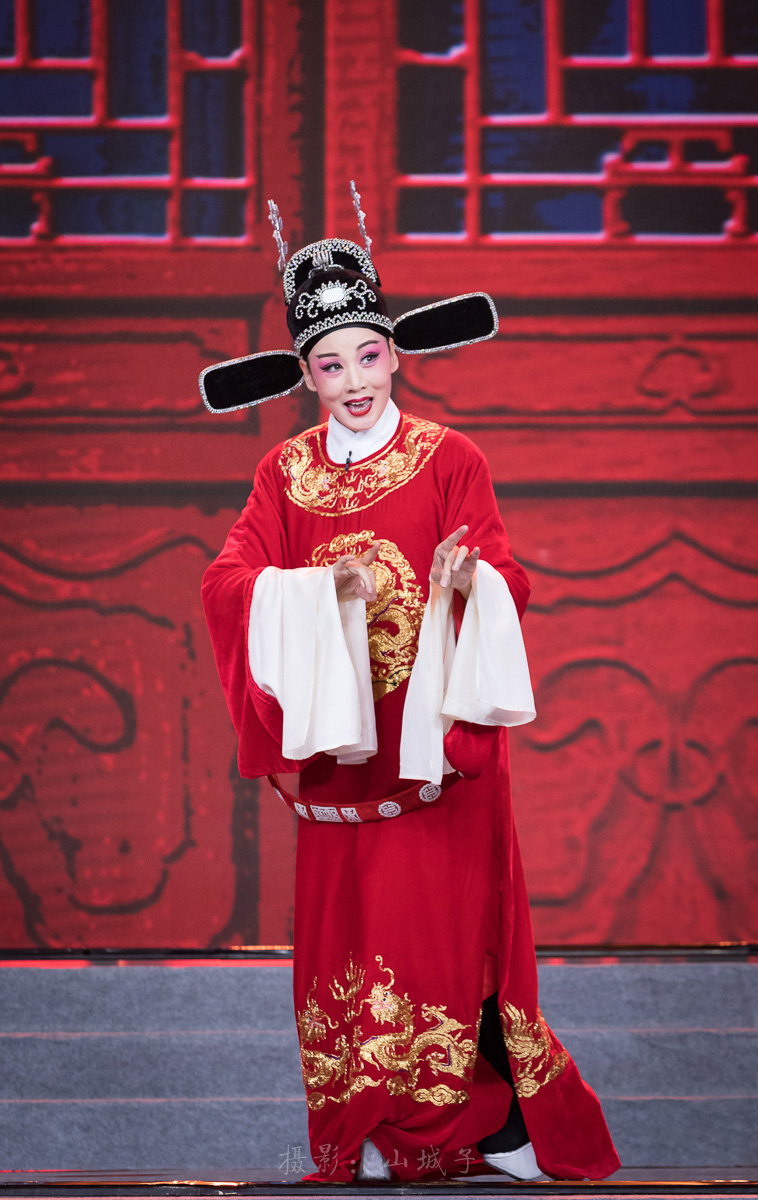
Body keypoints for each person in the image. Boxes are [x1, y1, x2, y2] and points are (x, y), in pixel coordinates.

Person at [200, 187, 620, 1184]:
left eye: (367, 355)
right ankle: (374, 1126)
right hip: (343, 754)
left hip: (434, 747)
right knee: (350, 946)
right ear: (304, 374)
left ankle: (484, 1125)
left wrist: (464, 584)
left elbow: (507, 575)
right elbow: (226, 581)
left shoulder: (448, 458)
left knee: (447, 939)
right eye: (329, 364)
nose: (353, 382)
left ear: (395, 351)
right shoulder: (283, 475)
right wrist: (310, 594)